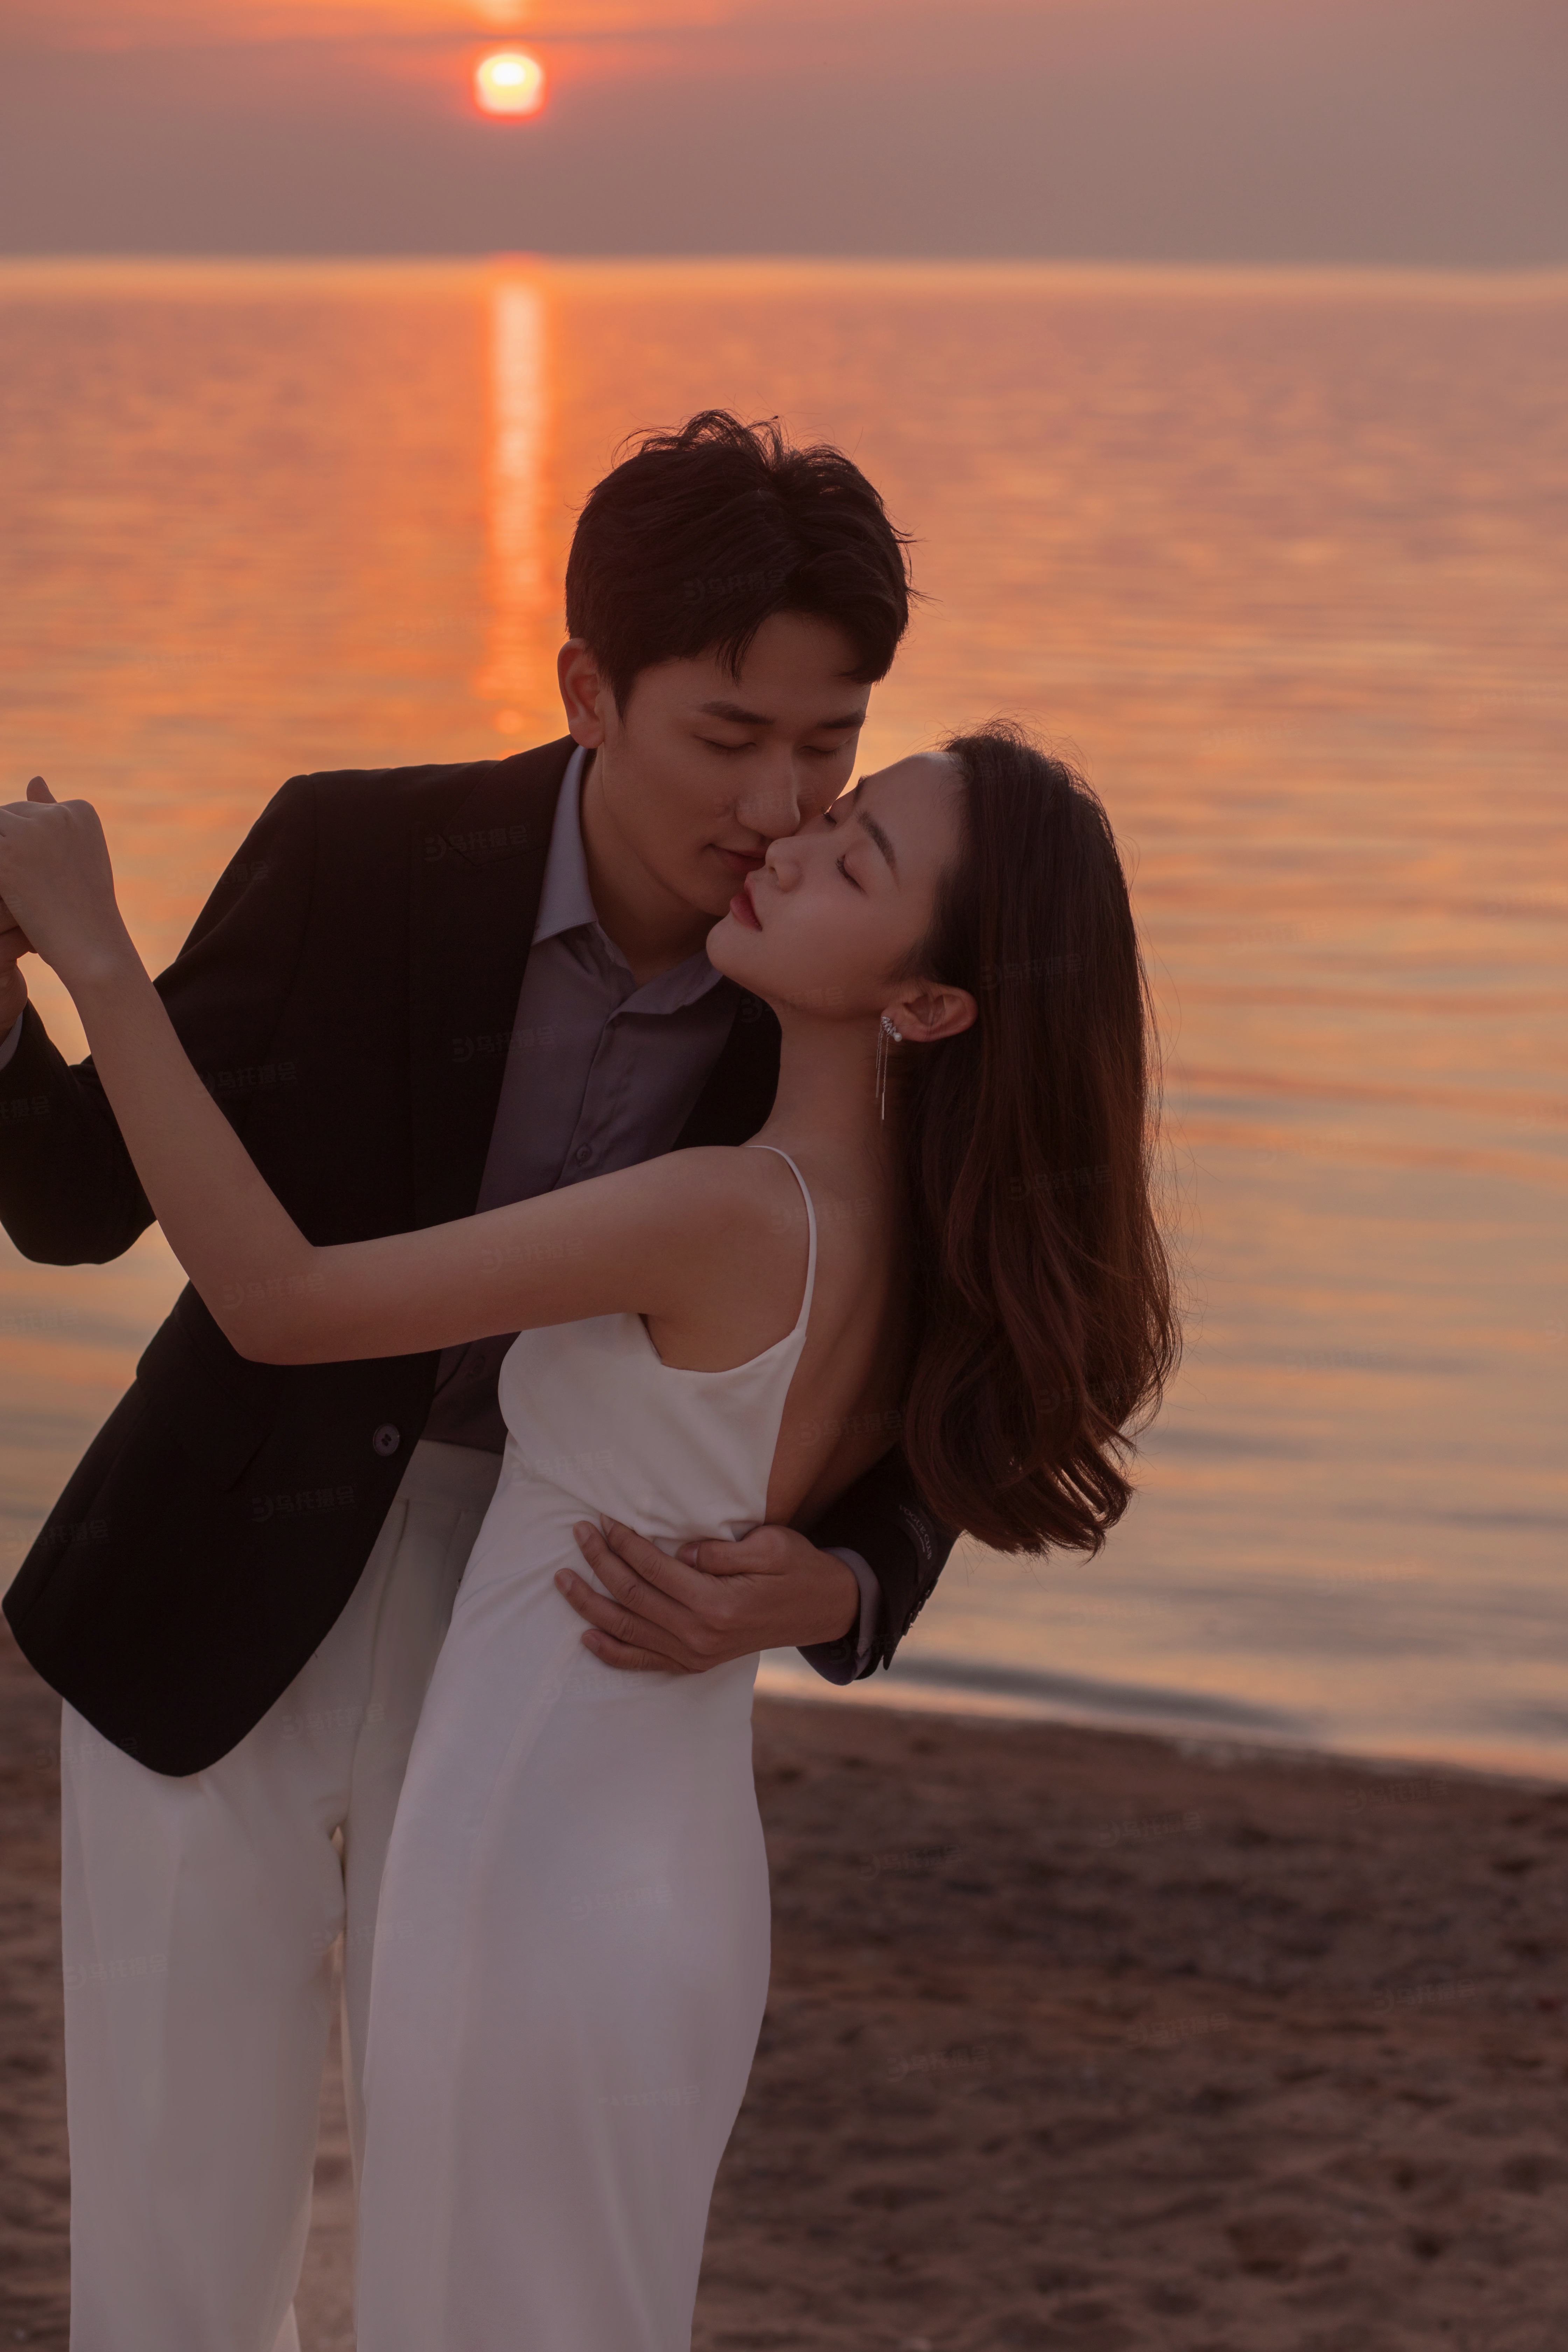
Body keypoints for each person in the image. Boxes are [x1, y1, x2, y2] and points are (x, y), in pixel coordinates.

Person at [0, 713, 1178, 2348]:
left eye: (852, 858)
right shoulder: (929, 1236)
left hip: (534, 1857)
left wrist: (95, 952)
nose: (787, 839)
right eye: (833, 809)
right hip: (669, 1867)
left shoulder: (725, 1207)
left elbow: (279, 1300)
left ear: (926, 1004)